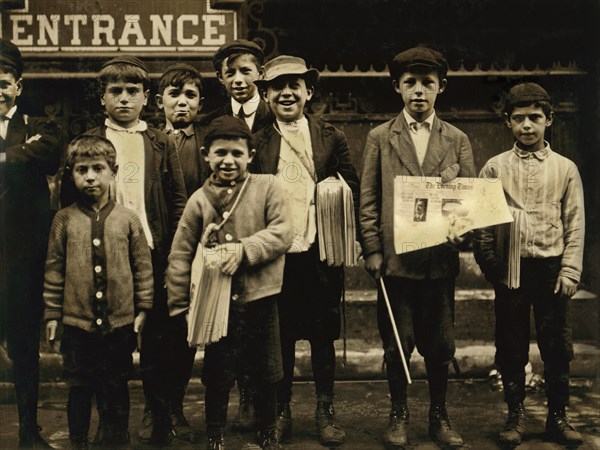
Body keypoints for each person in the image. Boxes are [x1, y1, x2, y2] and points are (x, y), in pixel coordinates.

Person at [61, 55, 188, 445]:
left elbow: (178, 200)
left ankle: (159, 416)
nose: (124, 99)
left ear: (146, 97)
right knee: (107, 348)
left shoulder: (160, 142)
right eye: (115, 91)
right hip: (105, 258)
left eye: (133, 91)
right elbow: (68, 206)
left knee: (158, 343)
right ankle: (109, 425)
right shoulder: (89, 143)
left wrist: (173, 256)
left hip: (152, 254)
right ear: (102, 98)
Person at [359, 46, 475, 448]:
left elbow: (467, 200)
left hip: (439, 263)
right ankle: (398, 414)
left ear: (441, 87)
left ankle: (439, 415)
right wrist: (372, 249)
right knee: (397, 342)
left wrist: (464, 232)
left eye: (428, 83)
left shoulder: (457, 140)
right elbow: (369, 200)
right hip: (395, 262)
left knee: (440, 344)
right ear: (397, 88)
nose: (419, 92)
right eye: (410, 83)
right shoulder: (379, 138)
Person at [252, 55, 360, 447]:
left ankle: (325, 410)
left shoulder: (331, 136)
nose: (286, 93)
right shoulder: (257, 140)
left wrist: (334, 195)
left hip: (320, 253)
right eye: (277, 87)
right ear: (266, 95)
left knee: (321, 336)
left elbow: (353, 184)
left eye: (294, 85)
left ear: (308, 91)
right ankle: (281, 411)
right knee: (278, 337)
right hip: (277, 254)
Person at [167, 116, 293, 450]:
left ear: (250, 155)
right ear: (206, 154)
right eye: (220, 153)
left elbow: (283, 233)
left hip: (261, 296)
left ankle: (268, 431)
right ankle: (215, 435)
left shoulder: (269, 187)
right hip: (216, 303)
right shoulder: (198, 200)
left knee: (267, 370)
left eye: (237, 153)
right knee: (218, 373)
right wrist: (181, 304)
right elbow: (180, 252)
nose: (228, 161)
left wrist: (246, 249)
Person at [473, 82, 585, 447]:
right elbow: (484, 223)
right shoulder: (494, 168)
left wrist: (570, 270)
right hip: (512, 270)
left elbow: (575, 221)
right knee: (511, 344)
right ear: (507, 122)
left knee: (556, 345)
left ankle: (557, 417)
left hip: (552, 269)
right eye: (518, 118)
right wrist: (493, 267)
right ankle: (515, 415)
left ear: (548, 120)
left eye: (535, 118)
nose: (527, 126)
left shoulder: (565, 169)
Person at [44, 135, 153, 449]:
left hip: (119, 323)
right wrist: (53, 313)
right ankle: (78, 440)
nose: (90, 176)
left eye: (97, 169)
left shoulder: (128, 219)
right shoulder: (63, 220)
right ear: (71, 174)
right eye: (81, 170)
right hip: (78, 325)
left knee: (116, 385)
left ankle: (115, 438)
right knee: (80, 386)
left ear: (113, 172)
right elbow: (54, 269)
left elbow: (142, 267)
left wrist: (142, 308)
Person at [202, 38, 274, 431]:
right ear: (220, 78)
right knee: (227, 325)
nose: (239, 79)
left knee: (263, 327)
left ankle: (266, 408)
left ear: (260, 74)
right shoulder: (211, 121)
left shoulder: (274, 116)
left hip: (266, 235)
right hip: (226, 238)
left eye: (246, 71)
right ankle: (232, 404)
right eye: (230, 72)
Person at [0, 37, 61, 449]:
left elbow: (52, 152)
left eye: (3, 81)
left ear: (18, 86)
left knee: (24, 349)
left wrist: (5, 158)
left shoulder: (39, 126)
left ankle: (28, 430)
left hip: (21, 262)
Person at [155, 63, 208, 444]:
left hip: (198, 249)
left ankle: (175, 405)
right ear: (159, 102)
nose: (182, 102)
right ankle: (154, 409)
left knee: (186, 333)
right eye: (174, 94)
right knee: (158, 332)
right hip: (159, 250)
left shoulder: (207, 143)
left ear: (199, 103)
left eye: (189, 95)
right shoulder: (151, 141)